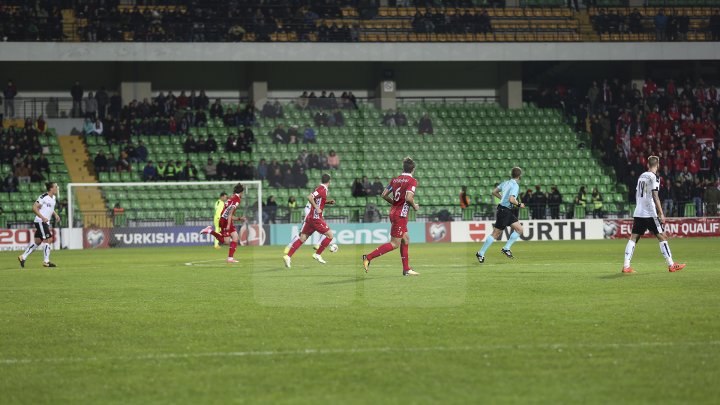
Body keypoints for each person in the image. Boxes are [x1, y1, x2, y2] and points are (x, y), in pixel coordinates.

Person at [622, 156, 686, 274]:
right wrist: (661, 213)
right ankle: (671, 265)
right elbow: (655, 196)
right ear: (658, 165)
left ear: (647, 165)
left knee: (633, 238)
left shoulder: (641, 176)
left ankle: (626, 266)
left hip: (639, 211)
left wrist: (640, 207)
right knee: (662, 236)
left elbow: (637, 194)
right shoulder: (655, 177)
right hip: (650, 213)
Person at [362, 158, 420, 276]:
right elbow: (409, 198)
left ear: (403, 168)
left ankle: (406, 269)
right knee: (394, 243)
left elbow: (383, 195)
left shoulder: (395, 179)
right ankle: (368, 257)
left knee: (406, 239)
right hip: (401, 215)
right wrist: (414, 206)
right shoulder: (412, 181)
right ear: (413, 169)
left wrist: (395, 202)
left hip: (393, 212)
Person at [283, 173, 336, 268]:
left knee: (302, 238)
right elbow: (309, 197)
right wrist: (317, 208)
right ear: (329, 181)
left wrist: (327, 202)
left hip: (310, 218)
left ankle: (288, 256)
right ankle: (318, 254)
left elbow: (317, 200)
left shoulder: (320, 188)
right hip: (316, 219)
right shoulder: (322, 189)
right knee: (330, 235)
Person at [476, 167, 525, 264]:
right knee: (495, 234)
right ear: (519, 176)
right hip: (504, 211)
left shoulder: (505, 183)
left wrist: (503, 198)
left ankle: (506, 248)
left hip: (507, 210)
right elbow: (512, 199)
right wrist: (519, 204)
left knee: (519, 229)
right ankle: (480, 253)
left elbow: (494, 192)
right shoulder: (515, 185)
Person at [200, 183, 247, 263]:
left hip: (226, 219)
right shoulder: (237, 200)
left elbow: (230, 214)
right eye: (243, 192)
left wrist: (239, 218)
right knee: (226, 241)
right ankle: (209, 231)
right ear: (241, 192)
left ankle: (230, 258)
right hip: (224, 220)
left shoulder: (232, 198)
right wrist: (228, 225)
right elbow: (230, 214)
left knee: (235, 237)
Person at [18, 182, 60, 268]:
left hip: (44, 222)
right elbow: (34, 208)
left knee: (37, 242)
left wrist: (55, 214)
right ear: (51, 188)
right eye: (56, 187)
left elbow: (51, 208)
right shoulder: (43, 197)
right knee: (48, 239)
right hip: (41, 221)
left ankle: (23, 257)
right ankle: (46, 261)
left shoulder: (54, 198)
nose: (57, 188)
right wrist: (42, 217)